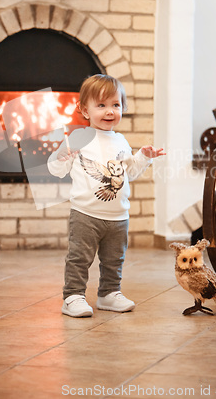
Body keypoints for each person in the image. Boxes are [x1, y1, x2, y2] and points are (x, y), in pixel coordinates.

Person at [48, 74, 165, 318]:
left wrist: (143, 156)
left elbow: (128, 172)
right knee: (79, 258)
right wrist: (63, 154)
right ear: (85, 110)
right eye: (101, 105)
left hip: (118, 215)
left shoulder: (120, 140)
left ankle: (109, 293)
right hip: (85, 214)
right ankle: (73, 296)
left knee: (114, 259)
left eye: (115, 105)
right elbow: (56, 170)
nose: (109, 111)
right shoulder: (78, 138)